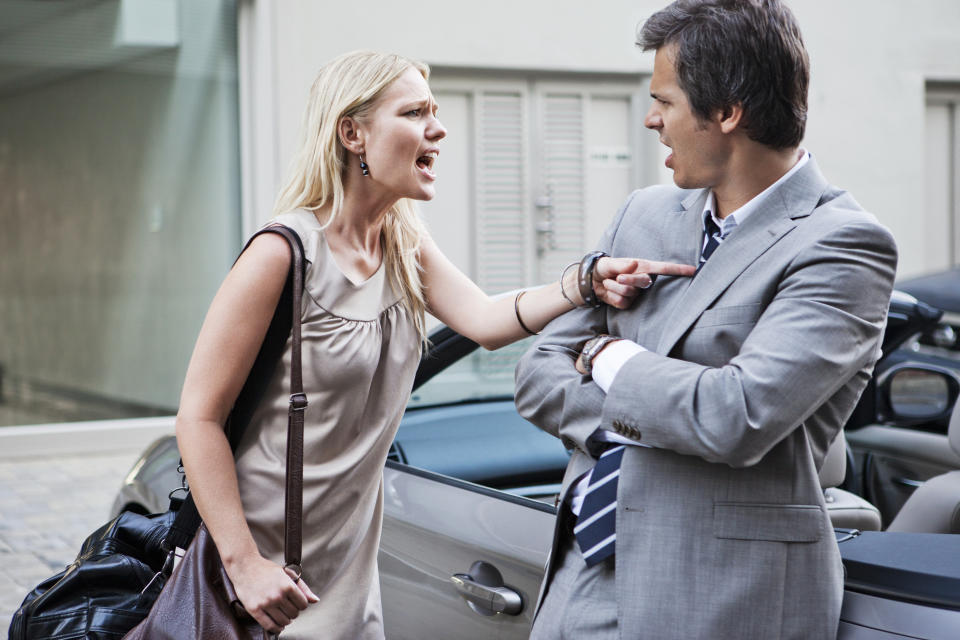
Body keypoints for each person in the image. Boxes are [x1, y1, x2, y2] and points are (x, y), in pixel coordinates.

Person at [174, 50, 693, 639]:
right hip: (264, 576)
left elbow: (488, 320)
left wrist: (586, 280)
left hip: (347, 577)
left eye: (435, 111)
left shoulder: (403, 243)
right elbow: (198, 417)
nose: (438, 129)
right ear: (352, 133)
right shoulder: (281, 255)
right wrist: (244, 567)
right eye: (416, 112)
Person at [514, 1, 898, 638]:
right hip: (579, 578)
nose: (650, 119)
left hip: (722, 598)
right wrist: (664, 410)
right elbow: (535, 375)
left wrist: (606, 359)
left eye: (664, 100)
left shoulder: (843, 245)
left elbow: (734, 417)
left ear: (726, 112)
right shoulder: (642, 214)